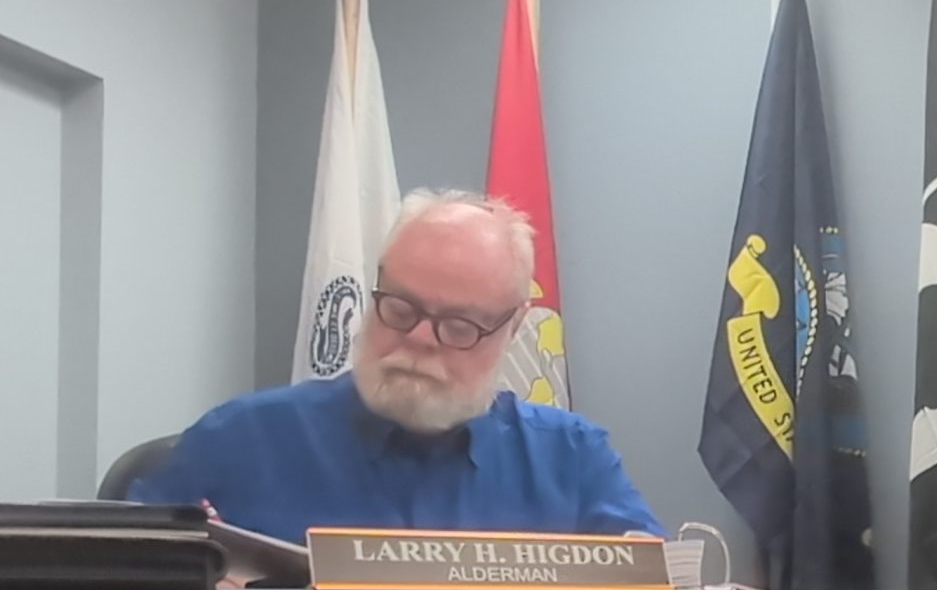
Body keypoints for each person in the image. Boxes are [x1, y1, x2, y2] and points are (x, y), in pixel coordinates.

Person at [133, 190, 663, 542]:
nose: (420, 340)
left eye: (459, 326)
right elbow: (117, 587)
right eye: (401, 309)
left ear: (514, 327)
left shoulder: (572, 461)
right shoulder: (239, 440)